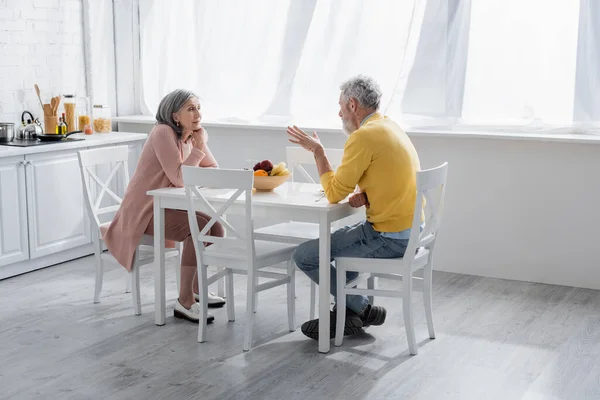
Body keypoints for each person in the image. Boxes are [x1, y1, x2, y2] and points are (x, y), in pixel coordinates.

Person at [287, 75, 421, 340]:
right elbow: (389, 176)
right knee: (342, 243)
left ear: (352, 104)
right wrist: (367, 193)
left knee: (305, 255)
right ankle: (347, 314)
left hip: (389, 238)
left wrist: (318, 152)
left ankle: (362, 309)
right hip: (411, 231)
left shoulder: (364, 137)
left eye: (340, 106)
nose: (338, 112)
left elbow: (335, 193)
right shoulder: (389, 126)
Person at [103, 89, 226, 324]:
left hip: (167, 205)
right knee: (197, 227)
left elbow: (213, 168)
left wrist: (198, 150)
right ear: (175, 116)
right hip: (143, 210)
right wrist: (199, 150)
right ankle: (184, 301)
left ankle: (198, 290)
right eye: (191, 108)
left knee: (215, 227)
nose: (197, 113)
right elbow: (180, 178)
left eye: (198, 108)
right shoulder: (162, 132)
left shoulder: (191, 135)